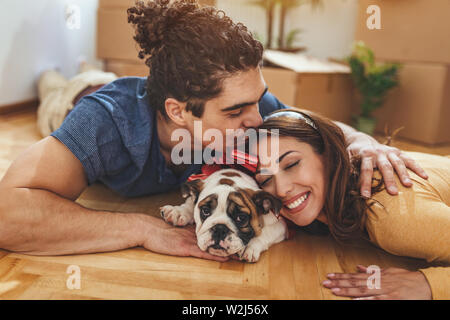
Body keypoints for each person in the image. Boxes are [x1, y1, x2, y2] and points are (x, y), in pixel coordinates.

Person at [0, 0, 427, 259]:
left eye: (259, 100)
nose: (258, 120)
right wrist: (143, 229)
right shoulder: (104, 123)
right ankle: (56, 78)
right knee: (54, 91)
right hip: (73, 101)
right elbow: (8, 215)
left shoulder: (251, 114)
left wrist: (362, 142)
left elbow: (315, 124)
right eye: (238, 110)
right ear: (179, 111)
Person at [253, 109, 449, 300]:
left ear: (328, 154)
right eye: (266, 180)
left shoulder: (392, 215)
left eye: (291, 164)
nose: (281, 190)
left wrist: (429, 284)